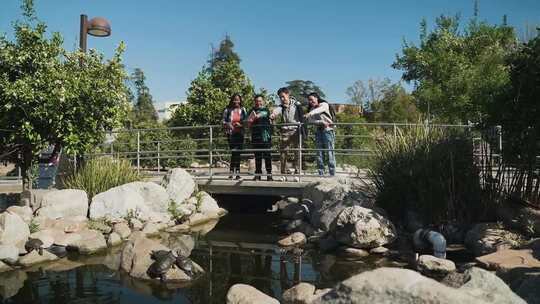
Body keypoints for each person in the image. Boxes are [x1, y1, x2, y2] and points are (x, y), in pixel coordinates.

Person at [270, 87, 304, 181]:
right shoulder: (281, 106)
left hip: (296, 130)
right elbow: (277, 111)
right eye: (280, 97)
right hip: (285, 131)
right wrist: (273, 114)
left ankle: (297, 173)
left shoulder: (297, 104)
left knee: (297, 152)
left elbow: (302, 116)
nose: (282, 99)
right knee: (283, 153)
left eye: (283, 97)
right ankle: (283, 174)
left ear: (288, 94)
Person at [304, 92, 336, 176]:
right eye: (309, 100)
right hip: (318, 131)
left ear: (316, 98)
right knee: (319, 153)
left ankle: (332, 174)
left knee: (330, 152)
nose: (310, 102)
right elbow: (311, 121)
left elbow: (319, 110)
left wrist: (310, 113)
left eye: (312, 99)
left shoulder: (324, 105)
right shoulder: (311, 109)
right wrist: (321, 121)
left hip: (328, 130)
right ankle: (321, 173)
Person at [247, 94, 273, 181]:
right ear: (255, 102)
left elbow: (263, 114)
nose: (258, 103)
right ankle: (258, 174)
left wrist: (255, 116)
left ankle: (269, 175)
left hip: (265, 135)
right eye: (257, 101)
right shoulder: (251, 110)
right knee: (257, 155)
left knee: (267, 155)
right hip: (255, 136)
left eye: (260, 101)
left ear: (263, 101)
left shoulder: (266, 110)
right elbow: (248, 121)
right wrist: (249, 120)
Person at [222, 93, 247, 179]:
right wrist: (228, 124)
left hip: (240, 133)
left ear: (240, 101)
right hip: (231, 134)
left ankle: (236, 172)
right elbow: (223, 121)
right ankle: (233, 172)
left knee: (238, 153)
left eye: (238, 99)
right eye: (235, 99)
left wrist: (240, 124)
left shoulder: (243, 109)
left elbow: (246, 121)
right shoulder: (227, 110)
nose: (236, 101)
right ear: (232, 100)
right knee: (234, 152)